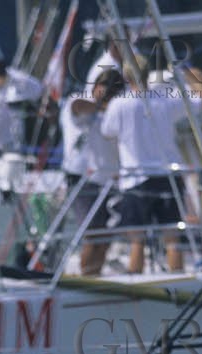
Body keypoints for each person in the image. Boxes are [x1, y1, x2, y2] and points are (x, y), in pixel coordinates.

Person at [100, 68, 202, 274]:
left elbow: (107, 132)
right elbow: (201, 101)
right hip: (167, 177)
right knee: (172, 238)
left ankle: (135, 290)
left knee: (137, 241)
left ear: (127, 78)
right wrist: (196, 79)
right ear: (148, 74)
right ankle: (177, 282)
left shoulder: (119, 104)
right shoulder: (165, 100)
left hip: (135, 179)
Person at [60, 68, 121, 274]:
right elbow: (78, 108)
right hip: (83, 178)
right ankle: (87, 276)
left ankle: (96, 275)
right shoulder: (78, 100)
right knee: (91, 234)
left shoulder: (116, 110)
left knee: (105, 239)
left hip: (109, 179)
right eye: (106, 90)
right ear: (95, 87)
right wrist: (103, 105)